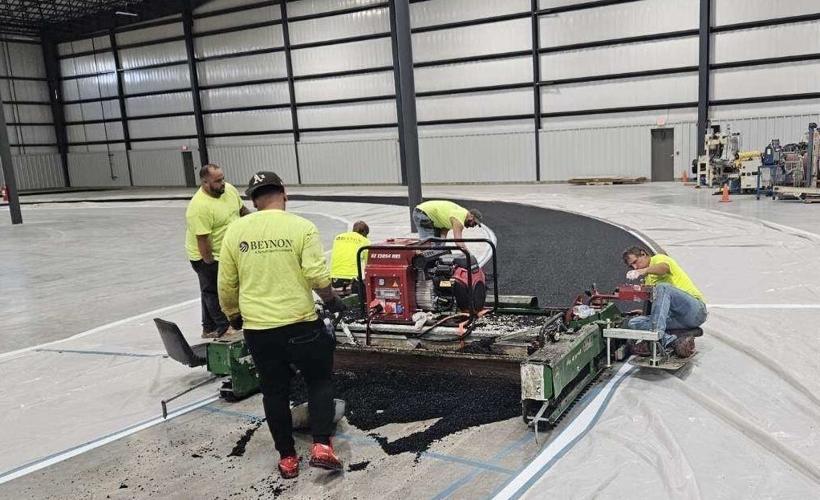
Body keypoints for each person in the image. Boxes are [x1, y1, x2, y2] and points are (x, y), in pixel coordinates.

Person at [218, 171, 345, 479]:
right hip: (301, 324)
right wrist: (331, 300)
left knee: (274, 392)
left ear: (253, 199)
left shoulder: (236, 231)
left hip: (260, 330)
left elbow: (226, 283)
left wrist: (234, 316)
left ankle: (288, 458)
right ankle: (321, 447)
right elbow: (316, 275)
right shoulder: (302, 227)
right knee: (319, 382)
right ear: (284, 193)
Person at [185, 164, 249, 338]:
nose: (223, 183)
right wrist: (210, 264)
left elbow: (242, 210)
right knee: (214, 290)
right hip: (205, 255)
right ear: (205, 183)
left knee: (208, 289)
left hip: (227, 250)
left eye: (223, 178)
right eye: (218, 181)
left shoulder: (229, 190)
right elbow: (202, 241)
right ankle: (223, 328)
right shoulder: (199, 207)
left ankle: (208, 328)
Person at [623, 246, 707, 358]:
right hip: (676, 318)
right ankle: (671, 340)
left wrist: (642, 271)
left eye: (635, 262)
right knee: (634, 322)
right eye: (631, 266)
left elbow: (663, 268)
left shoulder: (658, 259)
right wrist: (645, 314)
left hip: (695, 310)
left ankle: (656, 337)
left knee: (663, 287)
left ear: (643, 254)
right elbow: (660, 306)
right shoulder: (648, 279)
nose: (635, 267)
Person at [412, 200, 482, 251]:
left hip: (428, 215)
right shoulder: (459, 219)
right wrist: (469, 256)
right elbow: (458, 242)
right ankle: (422, 265)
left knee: (437, 246)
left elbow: (445, 227)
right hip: (423, 214)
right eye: (474, 223)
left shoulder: (462, 214)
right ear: (471, 216)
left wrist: (442, 244)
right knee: (428, 245)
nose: (473, 226)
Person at [330, 220, 370, 294]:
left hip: (334, 278)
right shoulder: (365, 241)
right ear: (364, 232)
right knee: (364, 297)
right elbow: (368, 265)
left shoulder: (338, 238)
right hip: (352, 279)